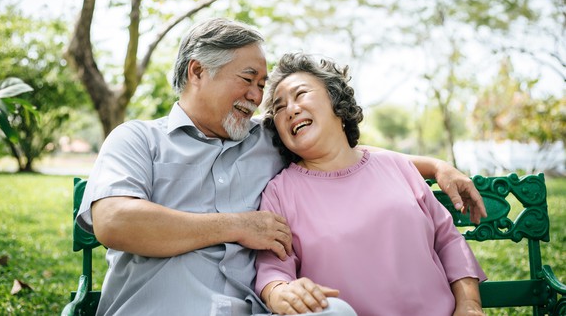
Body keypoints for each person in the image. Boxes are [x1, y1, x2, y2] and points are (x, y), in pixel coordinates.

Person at [76, 17, 486, 316]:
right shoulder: (137, 139)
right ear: (197, 71)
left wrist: (435, 166)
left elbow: (341, 152)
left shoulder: (269, 141)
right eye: (249, 79)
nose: (258, 97)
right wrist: (237, 226)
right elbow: (115, 222)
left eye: (262, 86)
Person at [255, 52, 487, 316]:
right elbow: (273, 270)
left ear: (336, 102)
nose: (290, 109)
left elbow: (448, 241)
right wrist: (279, 291)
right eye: (279, 106)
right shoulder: (280, 192)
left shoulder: (396, 166)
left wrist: (470, 304)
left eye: (301, 94)